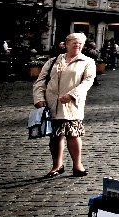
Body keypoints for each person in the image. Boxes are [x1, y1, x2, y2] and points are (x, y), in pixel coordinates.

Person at [33, 32, 97, 178]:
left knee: (73, 135)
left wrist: (72, 95)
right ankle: (57, 165)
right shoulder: (53, 61)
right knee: (55, 136)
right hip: (52, 103)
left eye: (80, 43)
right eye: (74, 42)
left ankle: (77, 165)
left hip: (72, 104)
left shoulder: (87, 62)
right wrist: (38, 98)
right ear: (66, 44)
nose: (77, 45)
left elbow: (87, 82)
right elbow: (41, 81)